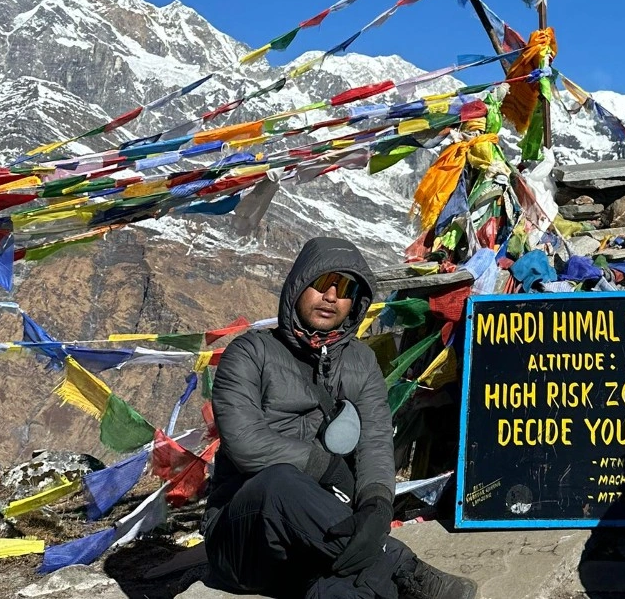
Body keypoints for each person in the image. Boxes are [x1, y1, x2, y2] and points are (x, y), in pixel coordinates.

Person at [203, 236, 477, 599]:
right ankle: (401, 565)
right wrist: (324, 467)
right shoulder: (250, 353)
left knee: (341, 592)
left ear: (356, 302)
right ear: (298, 284)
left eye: (345, 288)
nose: (331, 296)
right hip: (245, 536)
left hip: (317, 535)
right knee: (280, 482)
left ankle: (381, 575)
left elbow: (376, 440)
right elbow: (245, 443)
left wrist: (377, 505)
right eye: (321, 283)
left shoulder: (360, 362)